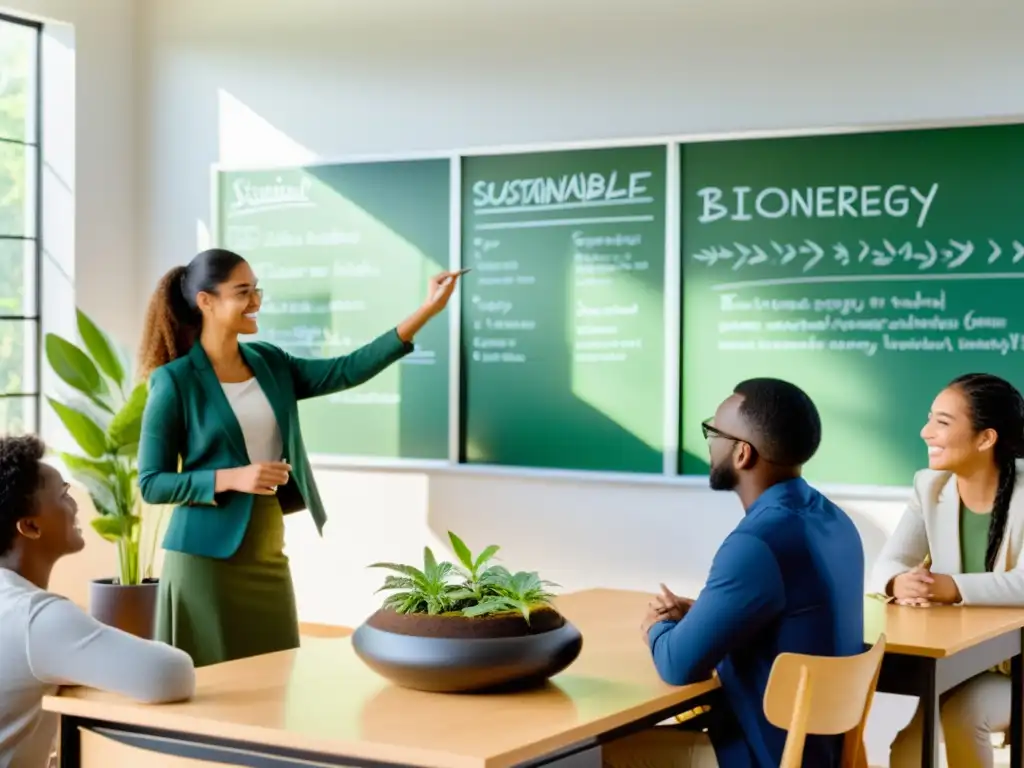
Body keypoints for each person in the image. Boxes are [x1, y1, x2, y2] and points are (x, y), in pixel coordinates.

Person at [136, 248, 462, 667]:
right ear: (206, 301)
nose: (256, 301)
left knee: (275, 672)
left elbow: (347, 368)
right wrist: (230, 478)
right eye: (243, 292)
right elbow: (152, 482)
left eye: (257, 290)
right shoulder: (175, 381)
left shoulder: (270, 362)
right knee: (215, 691)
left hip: (266, 547)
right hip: (203, 560)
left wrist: (427, 310)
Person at [602, 378, 865, 768]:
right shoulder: (833, 519)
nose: (709, 443)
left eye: (714, 432)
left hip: (762, 755)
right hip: (819, 752)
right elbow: (786, 616)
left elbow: (678, 665)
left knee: (594, 752)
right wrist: (701, 615)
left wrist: (655, 629)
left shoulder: (758, 543)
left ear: (743, 453)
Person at [0, 435, 195, 768]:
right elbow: (170, 674)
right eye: (63, 494)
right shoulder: (37, 618)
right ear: (31, 526)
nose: (75, 504)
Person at [871, 373, 1024, 768]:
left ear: (985, 438)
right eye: (929, 418)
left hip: (1014, 669)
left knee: (965, 715)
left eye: (942, 422)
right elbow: (888, 563)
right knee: (907, 750)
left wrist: (951, 587)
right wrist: (899, 581)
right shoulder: (930, 486)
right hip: (963, 662)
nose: (925, 432)